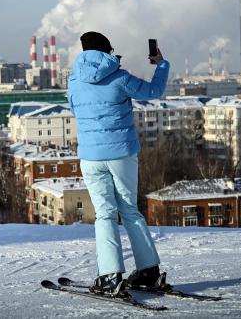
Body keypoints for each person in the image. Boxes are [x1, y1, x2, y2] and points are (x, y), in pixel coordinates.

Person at [67, 31, 170, 296]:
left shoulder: (73, 81)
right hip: (121, 154)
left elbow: (76, 110)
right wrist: (161, 64)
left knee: (104, 214)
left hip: (90, 156)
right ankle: (148, 270)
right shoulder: (120, 77)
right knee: (130, 210)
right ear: (107, 52)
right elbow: (154, 91)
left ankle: (110, 275)